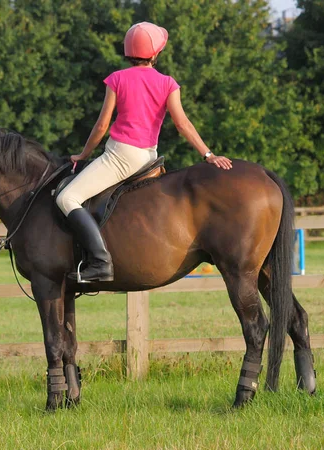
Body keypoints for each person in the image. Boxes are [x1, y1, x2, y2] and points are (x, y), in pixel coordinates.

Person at [56, 21, 233, 283]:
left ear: (129, 52)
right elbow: (182, 124)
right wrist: (208, 155)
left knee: (66, 198)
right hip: (149, 158)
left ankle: (100, 262)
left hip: (120, 157)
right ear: (155, 53)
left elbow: (103, 125)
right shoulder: (168, 83)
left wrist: (83, 154)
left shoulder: (117, 78)